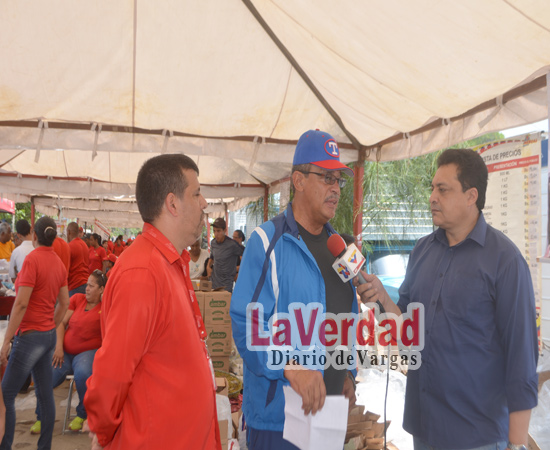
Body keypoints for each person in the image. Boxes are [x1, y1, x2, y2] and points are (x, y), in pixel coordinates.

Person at [357, 148, 538, 450]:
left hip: (476, 436)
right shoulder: (422, 251)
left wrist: (517, 444)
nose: (432, 197)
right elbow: (407, 331)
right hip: (423, 428)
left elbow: (522, 361)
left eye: (443, 189)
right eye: (432, 188)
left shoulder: (505, 261)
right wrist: (381, 300)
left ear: (471, 196)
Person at [230, 129, 358, 449]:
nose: (335, 189)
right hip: (280, 421)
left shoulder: (339, 248)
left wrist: (348, 372)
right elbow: (247, 324)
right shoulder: (266, 242)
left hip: (330, 414)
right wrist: (291, 367)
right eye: (326, 178)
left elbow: (348, 316)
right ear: (298, 181)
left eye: (338, 180)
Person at [84, 154, 221, 450]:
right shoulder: (143, 272)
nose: (204, 203)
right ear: (172, 204)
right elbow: (112, 373)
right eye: (196, 193)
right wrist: (103, 432)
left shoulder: (169, 262)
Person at [0, 216, 70, 450]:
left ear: (35, 235)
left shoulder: (32, 261)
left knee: (6, 394)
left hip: (30, 335)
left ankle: (6, 445)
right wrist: (51, 323)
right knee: (44, 392)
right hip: (47, 335)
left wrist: (7, 339)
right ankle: (45, 447)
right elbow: (64, 302)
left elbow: (20, 304)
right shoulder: (58, 263)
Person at [31, 270, 105, 435]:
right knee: (45, 377)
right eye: (87, 285)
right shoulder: (76, 300)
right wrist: (58, 347)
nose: (86, 289)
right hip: (64, 353)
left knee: (83, 374)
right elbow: (61, 323)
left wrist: (106, 298)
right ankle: (42, 418)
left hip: (88, 353)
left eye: (91, 286)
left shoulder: (105, 307)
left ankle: (82, 415)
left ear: (101, 289)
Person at [208, 218, 244, 292]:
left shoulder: (232, 244)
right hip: (213, 284)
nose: (216, 234)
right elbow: (212, 257)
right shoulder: (213, 243)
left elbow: (246, 255)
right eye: (214, 231)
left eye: (218, 231)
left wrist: (239, 269)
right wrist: (208, 266)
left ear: (225, 230)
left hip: (226, 286)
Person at [66, 222, 89, 296]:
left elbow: (66, 269)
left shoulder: (70, 246)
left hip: (74, 285)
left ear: (68, 232)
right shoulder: (84, 245)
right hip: (85, 283)